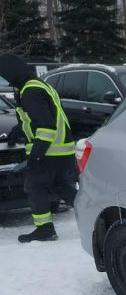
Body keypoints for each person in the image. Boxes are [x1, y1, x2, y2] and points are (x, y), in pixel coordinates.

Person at [0, 54, 77, 243]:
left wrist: (36, 155)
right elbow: (37, 119)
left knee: (34, 186)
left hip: (49, 151)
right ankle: (99, 214)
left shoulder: (30, 91)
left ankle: (45, 229)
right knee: (61, 187)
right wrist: (17, 131)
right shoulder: (38, 85)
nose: (6, 80)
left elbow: (45, 126)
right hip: (62, 150)